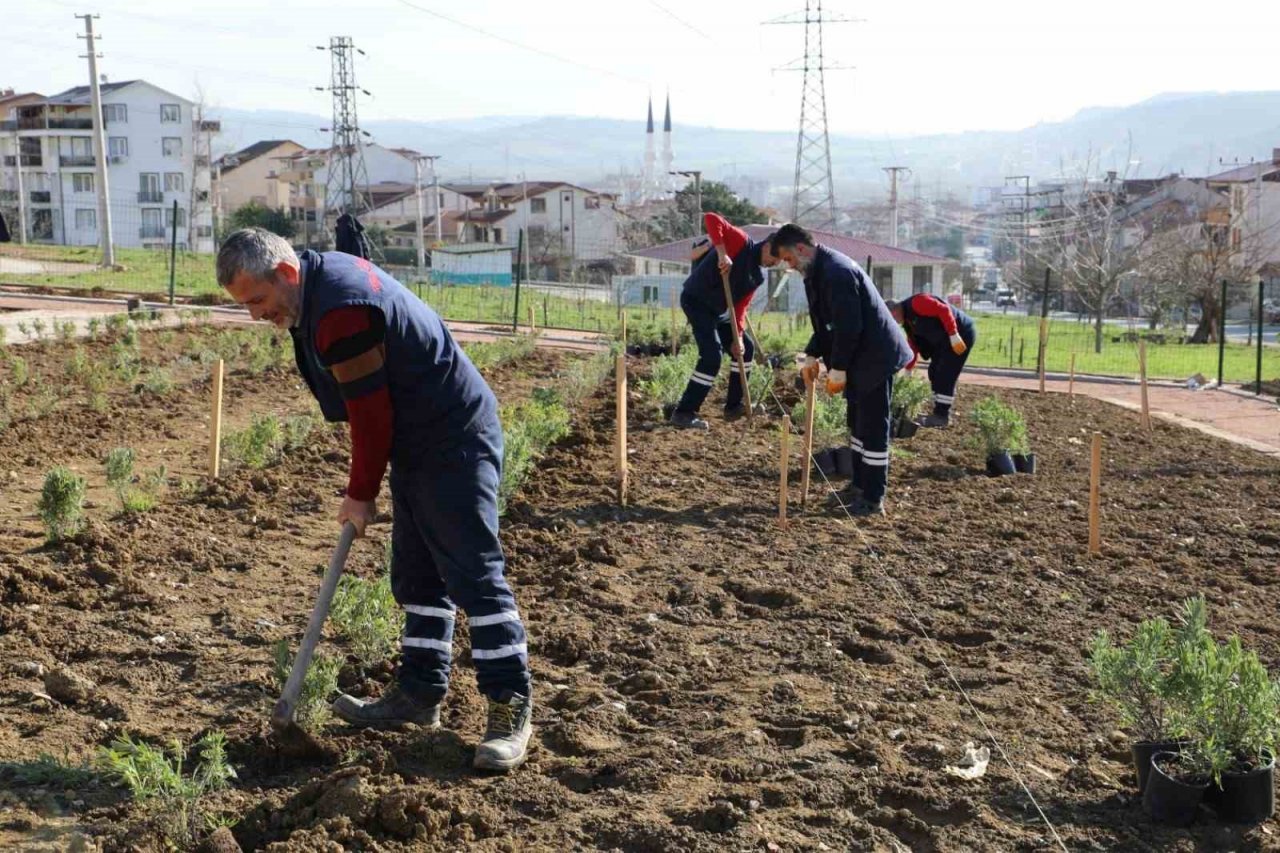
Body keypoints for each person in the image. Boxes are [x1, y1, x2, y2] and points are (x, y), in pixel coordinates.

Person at [215, 228, 532, 772]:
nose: (255, 316)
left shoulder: (340, 313)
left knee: (474, 575)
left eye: (258, 301)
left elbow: (371, 415)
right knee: (417, 574)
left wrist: (359, 494)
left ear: (285, 274)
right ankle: (419, 694)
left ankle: (509, 707)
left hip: (453, 436)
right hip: (418, 436)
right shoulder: (314, 283)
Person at [770, 224, 913, 516]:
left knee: (873, 428)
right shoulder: (815, 272)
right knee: (858, 425)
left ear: (800, 248)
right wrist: (811, 353)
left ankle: (873, 498)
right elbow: (826, 322)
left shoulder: (836, 272)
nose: (788, 265)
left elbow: (849, 327)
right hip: (859, 354)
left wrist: (838, 369)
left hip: (875, 356)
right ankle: (859, 485)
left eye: (788, 258)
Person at [667, 212, 779, 429]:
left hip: (719, 311)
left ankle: (733, 406)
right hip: (696, 301)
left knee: (744, 347)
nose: (775, 264)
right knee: (711, 356)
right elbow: (711, 218)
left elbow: (740, 307)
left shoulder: (756, 276)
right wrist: (721, 253)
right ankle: (684, 412)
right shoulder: (741, 242)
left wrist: (736, 336)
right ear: (767, 246)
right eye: (775, 259)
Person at [888, 294, 975, 428]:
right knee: (933, 372)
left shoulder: (917, 302)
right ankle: (938, 413)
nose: (892, 322)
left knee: (945, 374)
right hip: (944, 340)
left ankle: (941, 416)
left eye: (891, 318)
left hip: (960, 333)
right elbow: (913, 344)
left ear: (894, 311)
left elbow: (943, 309)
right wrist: (909, 368)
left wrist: (953, 334)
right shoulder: (907, 320)